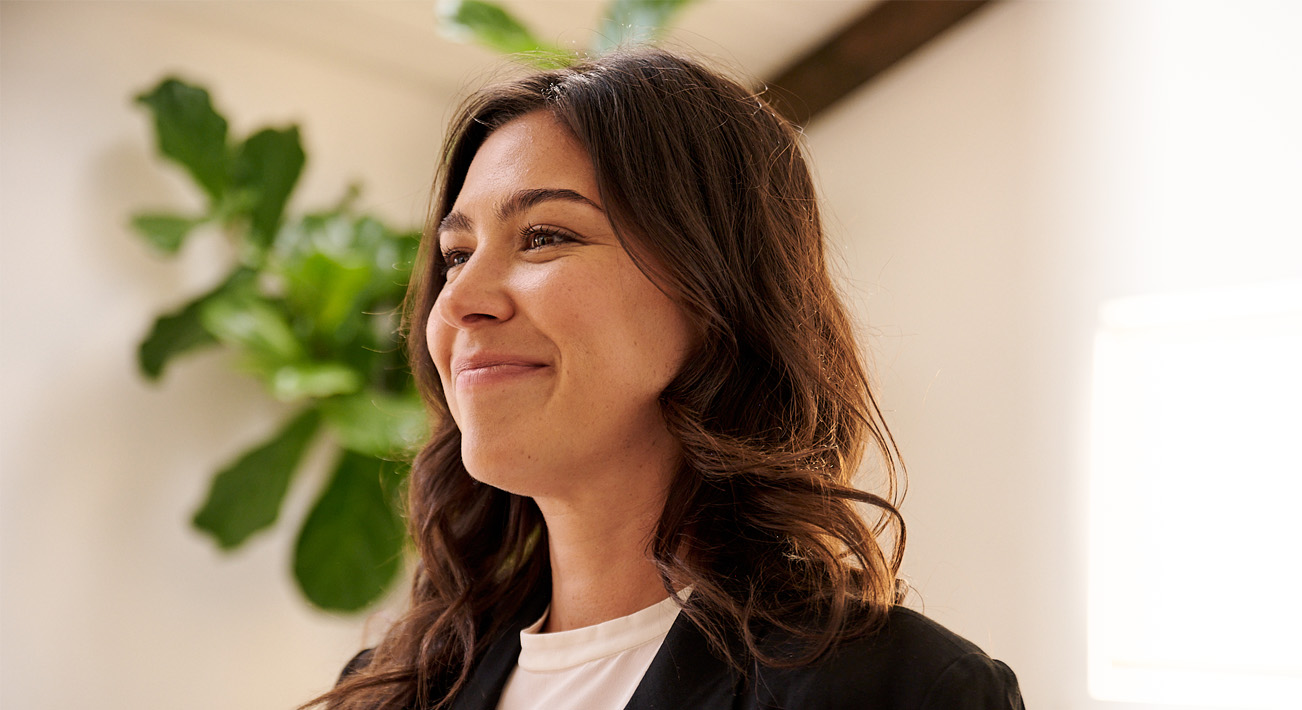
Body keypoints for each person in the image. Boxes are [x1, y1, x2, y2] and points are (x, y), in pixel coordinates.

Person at [306, 47, 1023, 710]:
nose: (457, 302)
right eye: (457, 254)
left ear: (714, 292)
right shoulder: (388, 691)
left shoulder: (899, 690)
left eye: (546, 236)